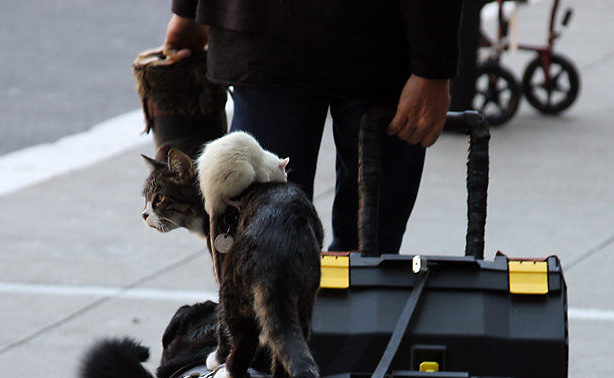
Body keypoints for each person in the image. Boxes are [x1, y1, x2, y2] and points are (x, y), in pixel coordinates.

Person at [157, 0, 463, 254]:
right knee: (265, 250)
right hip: (287, 37)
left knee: (279, 248)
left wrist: (432, 67)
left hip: (358, 41)